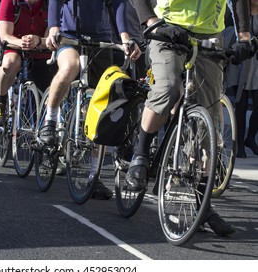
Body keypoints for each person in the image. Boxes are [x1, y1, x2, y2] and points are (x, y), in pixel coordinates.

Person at [128, 0, 252, 236]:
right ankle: (141, 154)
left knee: (209, 122)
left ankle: (203, 206)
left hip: (209, 34)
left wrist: (244, 37)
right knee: (168, 89)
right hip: (166, 28)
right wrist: (152, 21)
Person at [43, 0, 141, 199]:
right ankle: (50, 121)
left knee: (102, 105)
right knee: (70, 67)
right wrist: (53, 27)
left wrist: (124, 37)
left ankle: (93, 177)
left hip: (101, 39)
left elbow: (118, 3)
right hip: (69, 36)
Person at [0, 0, 53, 127]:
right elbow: (5, 36)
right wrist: (21, 43)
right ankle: (0, 101)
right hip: (15, 46)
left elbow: (51, 35)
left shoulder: (50, 3)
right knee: (9, 64)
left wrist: (38, 41)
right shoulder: (10, 2)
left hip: (41, 49)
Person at [224, 10, 258, 158]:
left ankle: (250, 138)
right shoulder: (237, 8)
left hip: (255, 63)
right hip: (239, 62)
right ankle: (238, 145)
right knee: (241, 104)